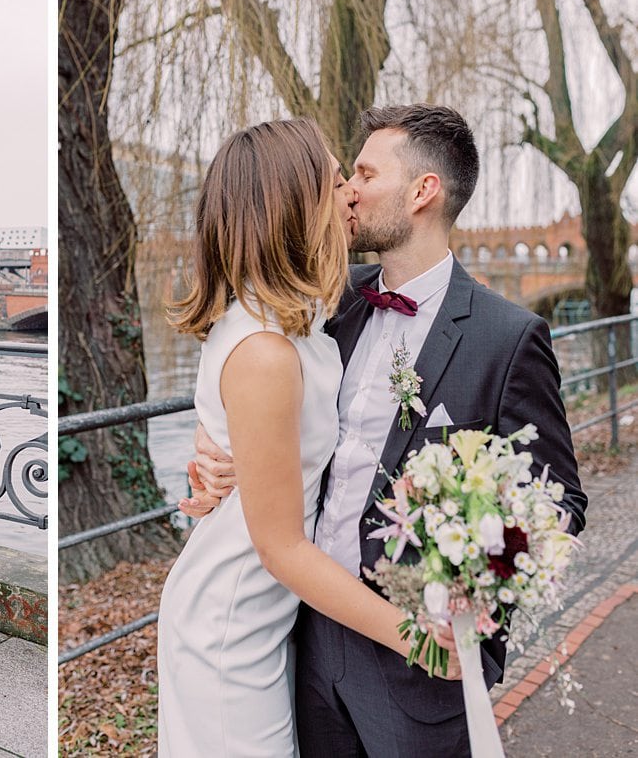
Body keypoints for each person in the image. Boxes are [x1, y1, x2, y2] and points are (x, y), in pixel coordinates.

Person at [184, 104, 588, 756]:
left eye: (365, 173)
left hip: (419, 665)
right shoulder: (326, 304)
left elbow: (560, 504)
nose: (349, 190)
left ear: (422, 191)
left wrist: (475, 565)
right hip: (304, 637)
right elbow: (256, 398)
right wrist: (216, 456)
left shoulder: (506, 338)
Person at [156, 116, 459, 757]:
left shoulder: (298, 321)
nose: (350, 190)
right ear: (293, 204)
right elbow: (282, 548)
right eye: (334, 177)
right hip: (230, 626)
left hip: (271, 619)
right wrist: (420, 638)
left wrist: (227, 464)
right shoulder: (267, 348)